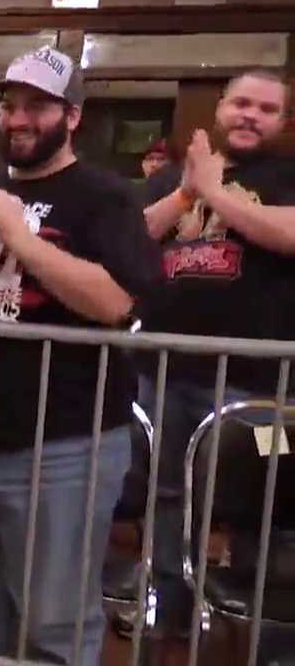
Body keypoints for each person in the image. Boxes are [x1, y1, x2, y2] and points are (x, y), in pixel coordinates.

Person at [0, 46, 164, 665]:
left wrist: (21, 239)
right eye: (11, 106)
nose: (19, 118)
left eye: (38, 106)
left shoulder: (105, 197)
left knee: (55, 623)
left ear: (72, 116)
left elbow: (118, 302)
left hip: (60, 446)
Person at [125, 70, 295, 640]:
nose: (250, 115)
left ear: (282, 121)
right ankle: (170, 608)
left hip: (260, 377)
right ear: (219, 108)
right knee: (168, 490)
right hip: (166, 366)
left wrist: (216, 193)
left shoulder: (287, 175)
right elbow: (130, 238)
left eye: (266, 109)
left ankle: (264, 629)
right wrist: (186, 192)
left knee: (264, 502)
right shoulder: (176, 178)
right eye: (241, 103)